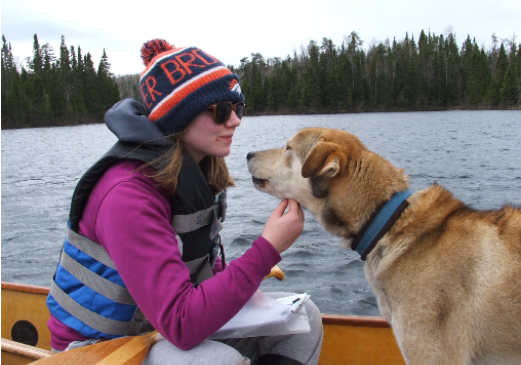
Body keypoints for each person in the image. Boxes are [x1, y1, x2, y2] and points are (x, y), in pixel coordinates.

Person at [45, 39, 323, 365]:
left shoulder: (194, 174)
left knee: (304, 320)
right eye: (221, 111)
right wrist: (267, 248)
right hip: (98, 350)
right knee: (217, 360)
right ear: (180, 116)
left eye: (238, 109)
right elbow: (182, 324)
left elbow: (199, 273)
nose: (234, 121)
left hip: (158, 331)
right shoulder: (127, 194)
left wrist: (245, 290)